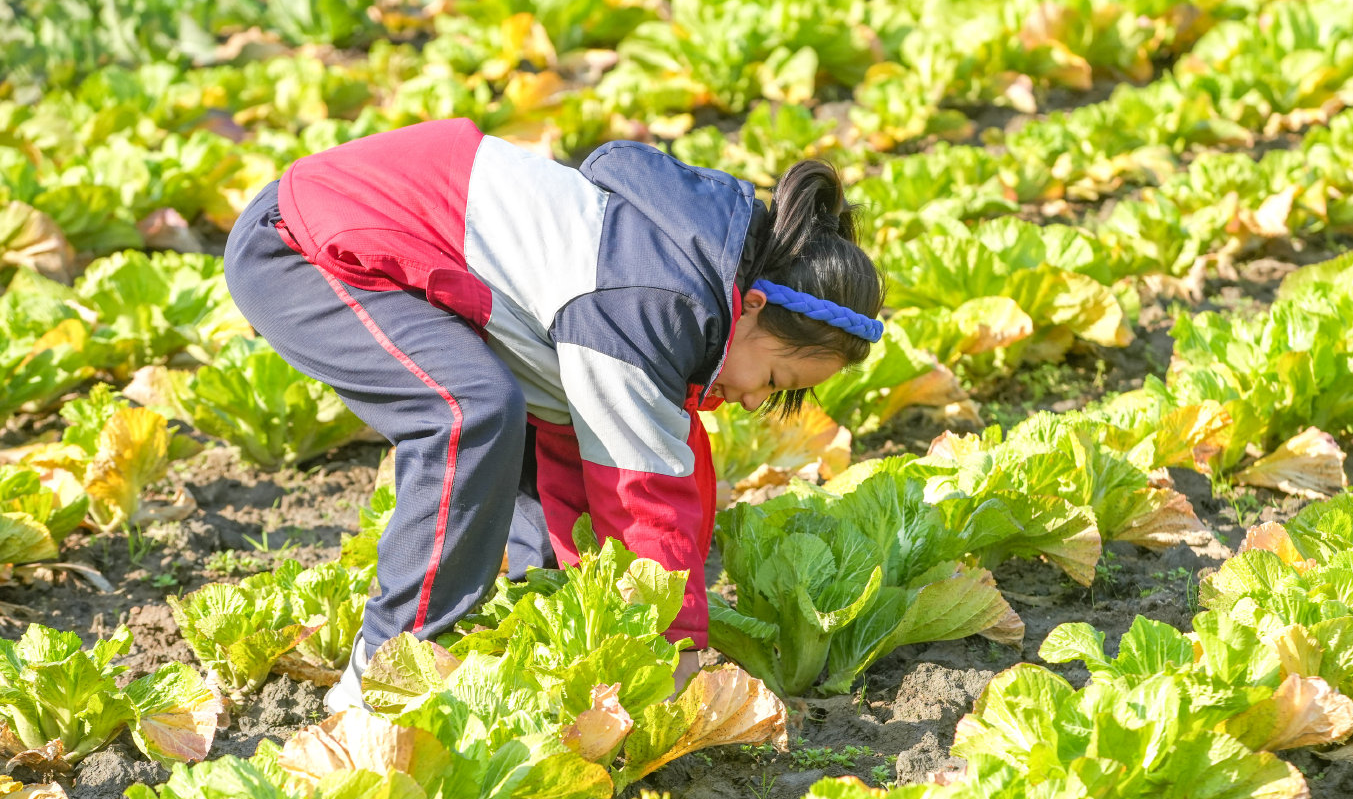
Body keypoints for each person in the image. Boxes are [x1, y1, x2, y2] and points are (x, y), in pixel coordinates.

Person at [222, 118, 885, 712]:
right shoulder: (654, 303)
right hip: (303, 244)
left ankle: (481, 645)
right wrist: (674, 645)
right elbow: (643, 491)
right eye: (774, 379)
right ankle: (378, 678)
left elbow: (581, 459)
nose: (753, 401)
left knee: (534, 514)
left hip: (385, 249)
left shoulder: (686, 277)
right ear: (757, 306)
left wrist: (596, 625)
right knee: (467, 412)